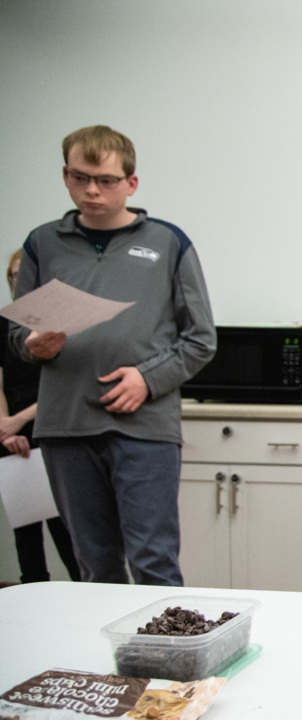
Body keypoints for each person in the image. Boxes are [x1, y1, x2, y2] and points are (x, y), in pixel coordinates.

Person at [8, 125, 216, 585]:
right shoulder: (42, 244)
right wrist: (30, 344)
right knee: (93, 565)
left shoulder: (168, 243)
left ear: (131, 183)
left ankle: (164, 659)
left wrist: (147, 378)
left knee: (153, 561)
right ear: (65, 176)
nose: (92, 190)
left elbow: (201, 338)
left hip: (143, 425)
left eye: (105, 180)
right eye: (80, 178)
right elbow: (16, 336)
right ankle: (103, 660)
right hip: (65, 427)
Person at [1, 249, 80, 584]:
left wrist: (19, 420)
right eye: (16, 276)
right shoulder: (3, 325)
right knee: (26, 531)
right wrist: (5, 428)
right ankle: (31, 594)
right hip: (10, 437)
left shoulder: (63, 329)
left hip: (53, 430)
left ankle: (82, 593)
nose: (23, 282)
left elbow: (67, 385)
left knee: (66, 529)